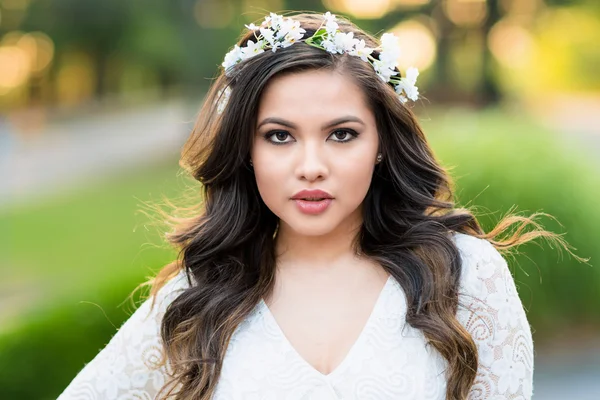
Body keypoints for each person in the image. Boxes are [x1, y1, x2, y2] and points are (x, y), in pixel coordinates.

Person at [57, 11, 572, 400]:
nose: (311, 165)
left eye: (341, 135)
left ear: (382, 146)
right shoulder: (200, 294)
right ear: (247, 152)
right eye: (280, 136)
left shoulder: (465, 276)